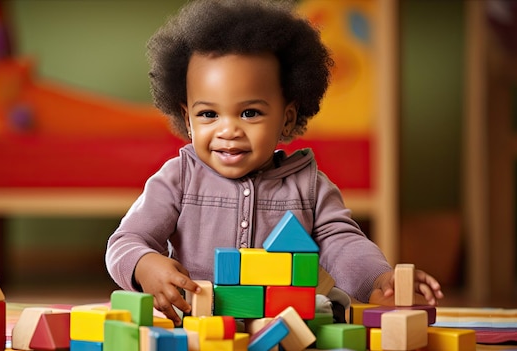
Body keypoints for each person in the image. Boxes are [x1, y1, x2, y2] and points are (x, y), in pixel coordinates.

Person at [105, 0, 443, 326]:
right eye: (208, 114)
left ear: (287, 117)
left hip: (287, 323)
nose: (228, 130)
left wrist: (380, 280)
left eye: (249, 113)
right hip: (200, 326)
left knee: (335, 308)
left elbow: (342, 243)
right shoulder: (178, 178)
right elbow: (126, 240)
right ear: (188, 119)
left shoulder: (309, 186)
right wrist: (145, 265)